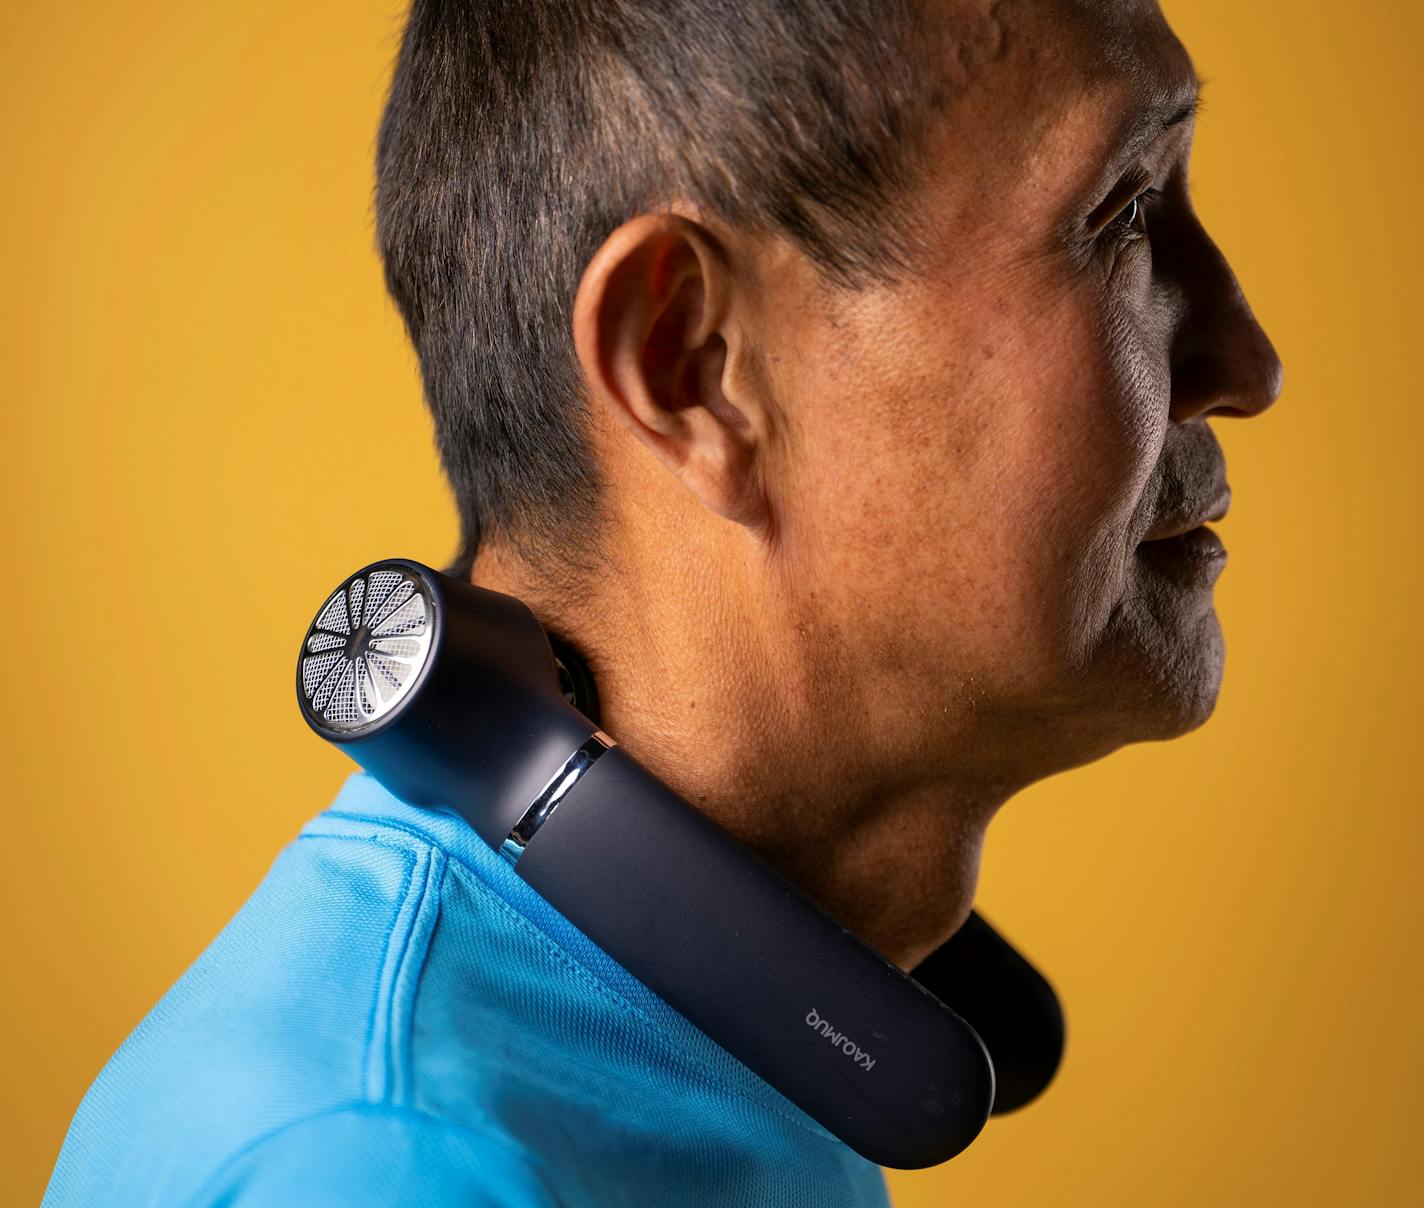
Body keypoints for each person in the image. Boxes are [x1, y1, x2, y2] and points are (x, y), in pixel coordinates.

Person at [44, 0, 1282, 1204]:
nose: (1245, 361)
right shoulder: (398, 1167)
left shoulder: (705, 1056)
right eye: (1117, 214)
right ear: (692, 365)